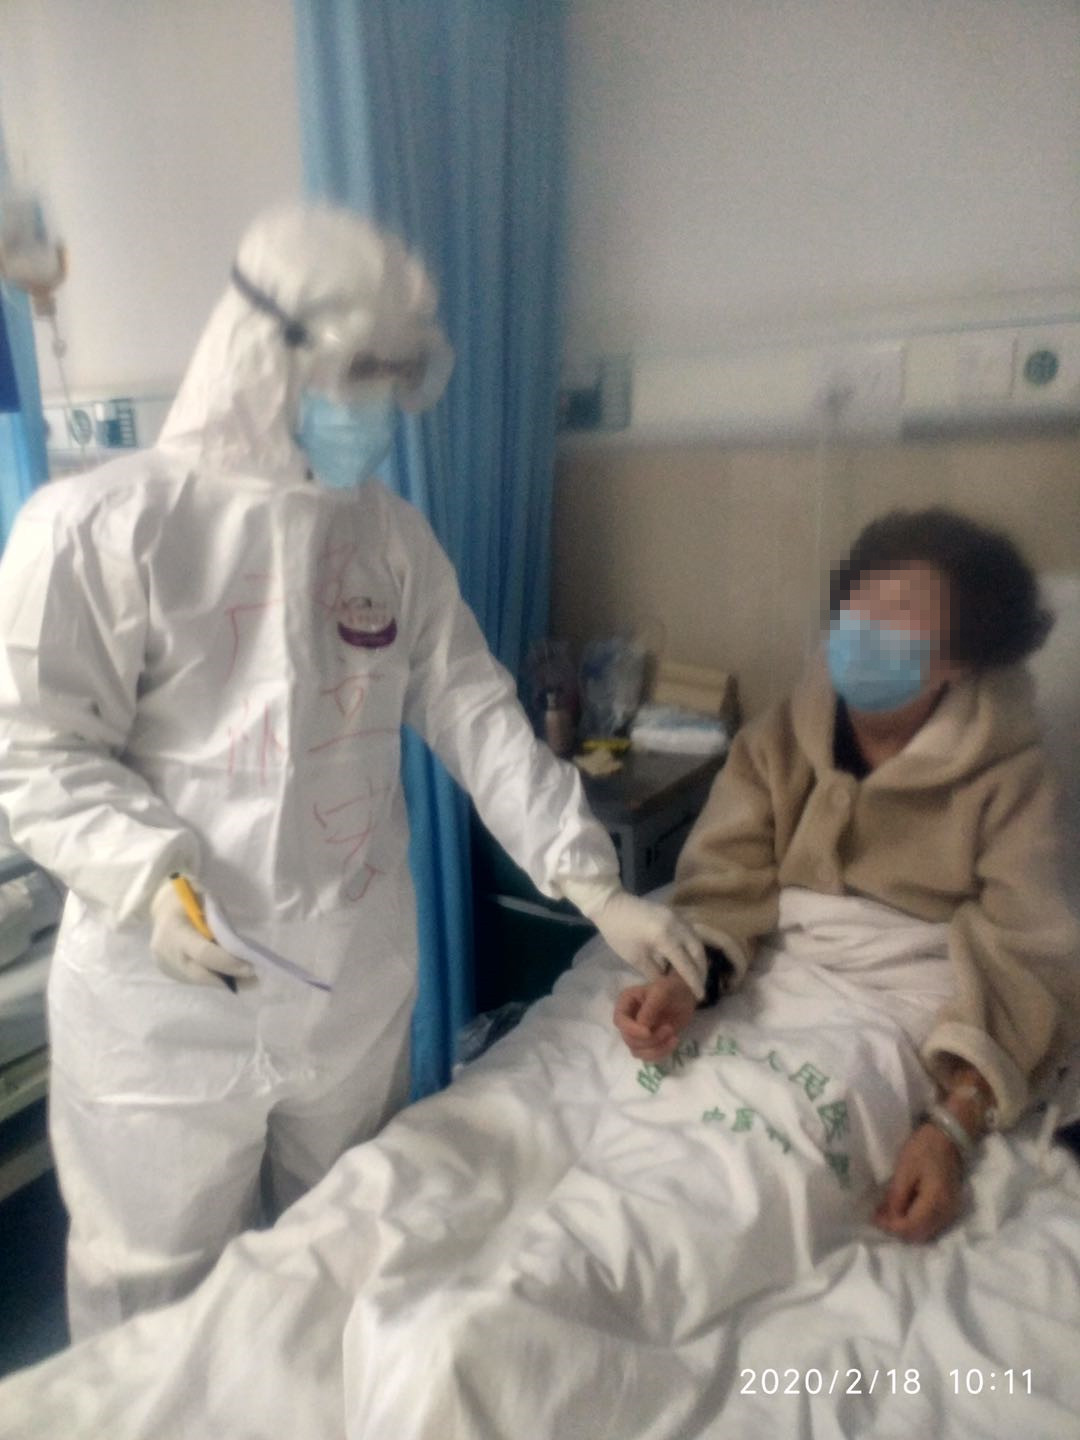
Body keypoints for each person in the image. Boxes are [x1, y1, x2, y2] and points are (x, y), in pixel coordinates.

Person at [0, 202, 707, 1338]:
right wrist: (149, 879)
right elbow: (38, 754)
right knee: (154, 1305)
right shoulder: (99, 528)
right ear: (264, 351)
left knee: (338, 1257)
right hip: (163, 1008)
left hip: (348, 987)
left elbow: (475, 712)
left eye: (392, 375)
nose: (374, 405)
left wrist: (594, 884)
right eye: (357, 373)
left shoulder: (389, 539)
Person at [615, 506, 1080, 1243]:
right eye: (860, 600)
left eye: (902, 609)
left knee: (740, 1172)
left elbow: (1031, 960)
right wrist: (684, 978)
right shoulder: (777, 737)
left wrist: (952, 1126)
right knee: (619, 1112)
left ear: (958, 660)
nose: (866, 624)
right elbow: (726, 874)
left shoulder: (1015, 781)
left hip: (904, 989)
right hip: (773, 956)